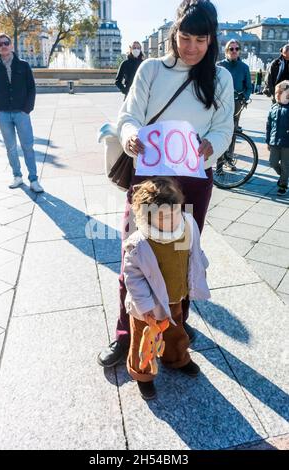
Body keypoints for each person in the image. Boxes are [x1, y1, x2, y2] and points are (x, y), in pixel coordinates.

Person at [97, 0, 234, 368]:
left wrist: (213, 145)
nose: (190, 48)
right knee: (135, 251)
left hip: (193, 179)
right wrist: (129, 137)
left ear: (212, 40)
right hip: (149, 178)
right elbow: (130, 116)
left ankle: (175, 328)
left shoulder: (220, 78)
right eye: (184, 37)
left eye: (200, 40)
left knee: (182, 255)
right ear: (175, 34)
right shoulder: (151, 70)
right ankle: (126, 334)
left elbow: (224, 129)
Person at [124, 177, 210, 400]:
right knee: (143, 342)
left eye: (174, 213)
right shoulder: (141, 242)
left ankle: (177, 358)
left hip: (174, 297)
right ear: (148, 216)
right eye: (163, 217)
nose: (171, 220)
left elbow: (190, 253)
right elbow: (133, 276)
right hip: (148, 307)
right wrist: (144, 305)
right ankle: (143, 375)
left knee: (175, 331)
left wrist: (200, 267)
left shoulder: (185, 226)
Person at [0, 33, 44, 192]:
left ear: (11, 45)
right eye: (0, 44)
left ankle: (33, 180)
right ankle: (17, 176)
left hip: (21, 113)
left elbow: (31, 88)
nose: (3, 45)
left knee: (27, 146)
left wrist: (27, 109)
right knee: (11, 147)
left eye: (6, 42)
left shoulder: (24, 65)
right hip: (3, 114)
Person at [217, 39, 252, 129]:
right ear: (226, 51)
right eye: (231, 49)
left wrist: (244, 98)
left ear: (239, 51)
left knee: (233, 130)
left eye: (237, 48)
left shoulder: (244, 67)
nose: (234, 51)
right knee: (219, 128)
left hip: (237, 102)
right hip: (221, 102)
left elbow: (249, 87)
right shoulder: (219, 66)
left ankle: (232, 143)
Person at [266, 80, 289, 196]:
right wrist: (267, 141)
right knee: (272, 163)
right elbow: (268, 126)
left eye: (281, 93)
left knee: (286, 165)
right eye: (276, 93)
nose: (277, 95)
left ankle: (283, 185)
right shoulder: (273, 108)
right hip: (274, 141)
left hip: (287, 143)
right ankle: (285, 176)